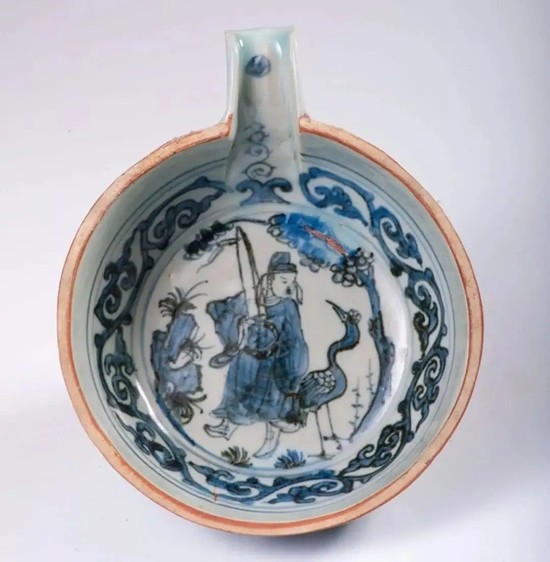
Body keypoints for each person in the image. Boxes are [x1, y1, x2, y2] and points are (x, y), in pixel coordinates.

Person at [204, 252, 309, 458]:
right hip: (248, 360)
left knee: (272, 404)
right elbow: (228, 316)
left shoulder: (288, 306)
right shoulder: (251, 299)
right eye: (283, 281)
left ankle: (271, 441)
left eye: (291, 282)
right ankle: (227, 427)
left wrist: (291, 363)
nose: (288, 286)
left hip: (273, 362)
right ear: (270, 280)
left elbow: (294, 337)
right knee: (239, 394)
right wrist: (243, 324)